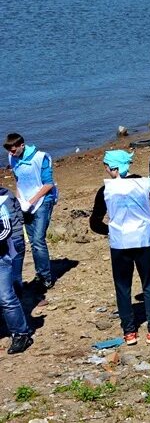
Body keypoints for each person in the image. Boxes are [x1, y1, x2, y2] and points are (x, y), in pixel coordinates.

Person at [89, 150, 150, 346]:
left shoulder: (105, 190)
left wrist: (110, 230)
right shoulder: (144, 184)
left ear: (113, 168)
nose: (106, 169)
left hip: (119, 243)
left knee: (123, 287)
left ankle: (129, 332)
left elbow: (94, 222)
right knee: (149, 284)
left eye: (106, 166)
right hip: (143, 239)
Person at [4, 134, 58, 290]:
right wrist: (19, 200)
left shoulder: (41, 158)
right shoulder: (12, 158)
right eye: (10, 151)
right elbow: (18, 181)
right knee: (33, 241)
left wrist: (31, 201)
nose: (12, 154)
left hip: (43, 200)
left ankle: (46, 278)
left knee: (39, 239)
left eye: (14, 150)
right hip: (25, 201)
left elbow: (48, 184)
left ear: (22, 145)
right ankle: (40, 273)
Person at [0, 186, 32, 354]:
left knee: (6, 296)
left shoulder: (2, 202)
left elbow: (7, 230)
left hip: (2, 257)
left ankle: (21, 334)